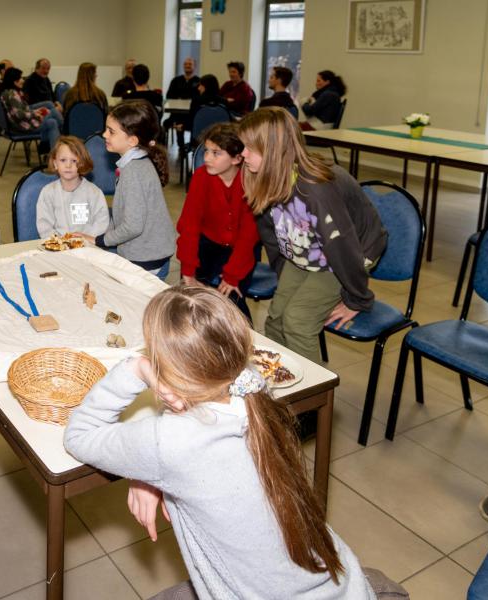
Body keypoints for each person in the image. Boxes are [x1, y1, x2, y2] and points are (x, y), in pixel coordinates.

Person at [64, 285, 384, 599]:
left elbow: (79, 435)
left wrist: (138, 368)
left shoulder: (170, 442)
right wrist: (147, 473)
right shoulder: (251, 385)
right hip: (344, 585)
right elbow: (190, 414)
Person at [238, 107, 387, 363]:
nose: (243, 154)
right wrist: (285, 273)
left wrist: (357, 299)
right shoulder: (261, 176)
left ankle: (312, 398)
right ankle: (281, 380)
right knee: (275, 321)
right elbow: (271, 236)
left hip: (349, 255)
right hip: (309, 251)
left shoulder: (316, 189)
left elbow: (343, 247)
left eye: (250, 148)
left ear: (275, 151)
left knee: (297, 321)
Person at [75, 100, 175, 278]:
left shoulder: (133, 172)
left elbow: (133, 226)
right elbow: (123, 213)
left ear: (132, 140)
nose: (104, 135)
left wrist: (100, 240)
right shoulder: (137, 162)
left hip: (146, 258)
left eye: (111, 132)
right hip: (151, 251)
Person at [176, 123, 258, 320]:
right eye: (206, 151)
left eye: (216, 153)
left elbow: (249, 236)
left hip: (241, 251)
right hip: (208, 244)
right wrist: (188, 270)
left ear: (238, 158)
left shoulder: (252, 181)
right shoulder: (201, 177)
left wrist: (231, 276)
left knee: (231, 302)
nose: (206, 158)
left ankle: (246, 342)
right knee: (192, 299)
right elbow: (189, 225)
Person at [36, 135, 109, 238]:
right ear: (55, 163)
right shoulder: (48, 192)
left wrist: (86, 239)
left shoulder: (94, 193)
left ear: (82, 163)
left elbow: (102, 222)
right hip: (58, 248)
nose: (68, 165)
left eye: (74, 161)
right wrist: (59, 242)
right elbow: (44, 225)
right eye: (63, 160)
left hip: (88, 248)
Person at [0, 67, 61, 152]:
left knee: (52, 122)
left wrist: (35, 111)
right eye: (20, 78)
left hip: (19, 123)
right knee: (53, 114)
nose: (23, 80)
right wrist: (35, 114)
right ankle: (66, 132)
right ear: (14, 81)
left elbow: (22, 110)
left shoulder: (8, 91)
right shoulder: (12, 95)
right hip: (22, 126)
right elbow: (19, 114)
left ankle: (50, 152)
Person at [164, 57, 200, 132]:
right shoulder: (176, 80)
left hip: (191, 115)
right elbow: (169, 96)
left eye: (190, 64)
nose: (187, 66)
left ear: (195, 66)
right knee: (166, 123)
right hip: (176, 113)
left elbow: (198, 98)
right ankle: (180, 142)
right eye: (185, 64)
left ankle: (188, 142)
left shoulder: (199, 81)